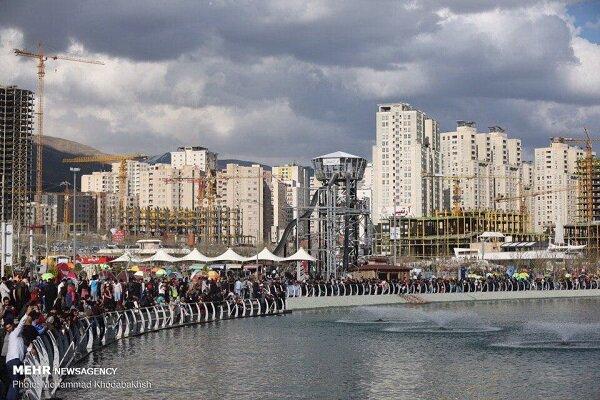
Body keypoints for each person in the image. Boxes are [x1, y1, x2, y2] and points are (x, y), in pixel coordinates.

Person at [5, 305, 34, 400]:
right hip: (13, 361)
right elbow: (21, 323)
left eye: (9, 327)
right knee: (15, 382)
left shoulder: (19, 339)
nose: (8, 329)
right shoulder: (14, 334)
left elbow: (25, 348)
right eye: (7, 328)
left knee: (15, 382)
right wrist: (27, 313)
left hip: (15, 362)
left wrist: (32, 350)